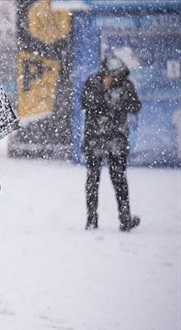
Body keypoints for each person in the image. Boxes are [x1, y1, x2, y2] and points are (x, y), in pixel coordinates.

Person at [81, 55, 141, 232]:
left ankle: (125, 219)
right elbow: (86, 103)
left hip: (116, 139)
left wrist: (118, 99)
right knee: (93, 180)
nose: (113, 79)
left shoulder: (126, 86)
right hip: (95, 139)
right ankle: (91, 219)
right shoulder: (93, 83)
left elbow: (135, 106)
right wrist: (104, 92)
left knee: (119, 180)